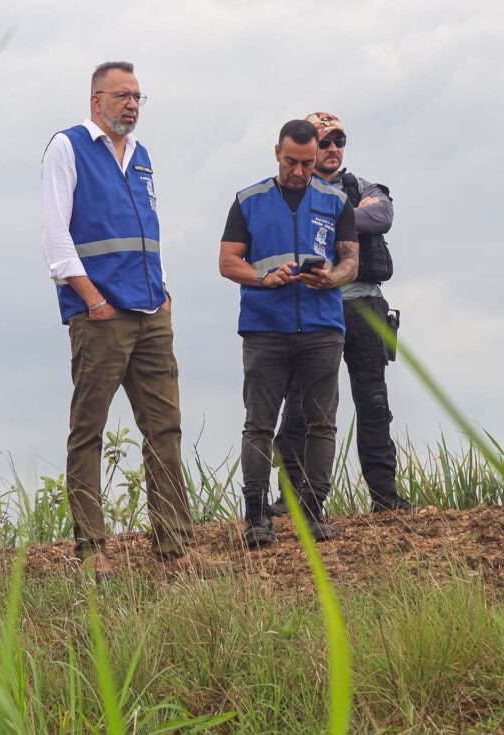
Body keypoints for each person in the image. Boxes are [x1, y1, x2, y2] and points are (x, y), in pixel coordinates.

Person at [41, 61, 215, 577]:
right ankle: (93, 549)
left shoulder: (142, 158)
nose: (132, 105)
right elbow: (56, 237)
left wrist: (163, 291)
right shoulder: (68, 147)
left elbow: (149, 232)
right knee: (88, 428)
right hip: (100, 316)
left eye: (138, 96)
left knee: (165, 427)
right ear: (96, 101)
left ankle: (175, 546)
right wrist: (93, 300)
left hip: (150, 311)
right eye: (122, 96)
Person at [219, 118, 358, 548]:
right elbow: (228, 262)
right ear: (276, 153)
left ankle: (314, 511)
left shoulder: (336, 201)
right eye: (291, 161)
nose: (299, 171)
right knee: (258, 423)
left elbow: (351, 261)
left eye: (307, 162)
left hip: (321, 327)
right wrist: (264, 277)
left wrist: (332, 278)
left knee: (322, 423)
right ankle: (256, 516)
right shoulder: (248, 201)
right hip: (266, 328)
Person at [268, 112, 415, 516]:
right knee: (300, 405)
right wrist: (346, 217)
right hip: (313, 306)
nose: (332, 148)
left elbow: (381, 215)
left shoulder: (362, 186)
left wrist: (326, 216)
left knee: (374, 403)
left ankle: (385, 496)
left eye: (339, 140)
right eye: (324, 141)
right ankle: (289, 499)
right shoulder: (287, 192)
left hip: (363, 304)